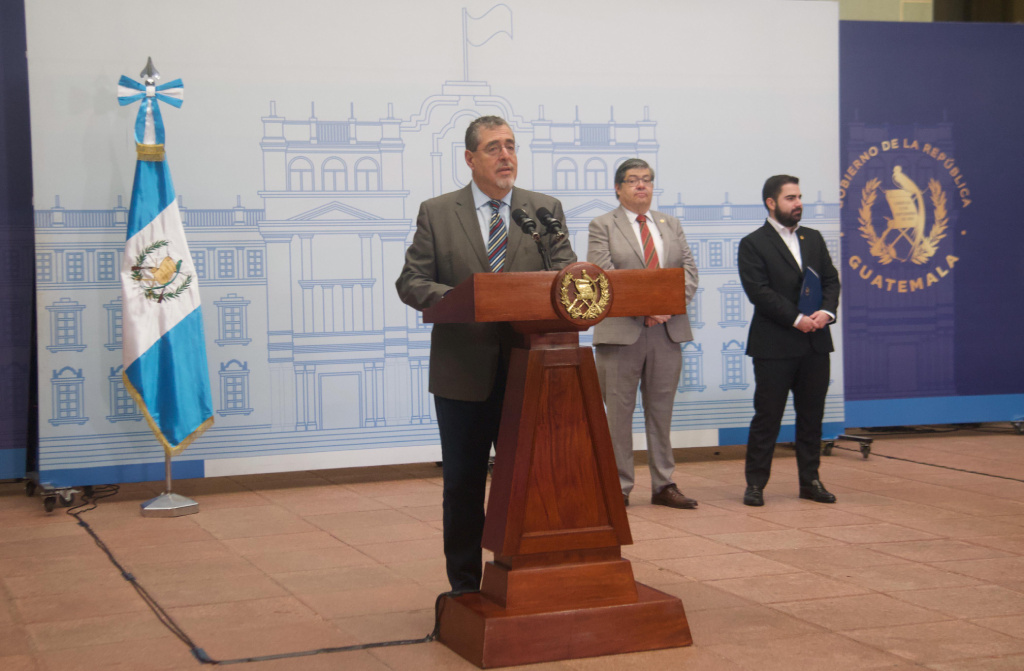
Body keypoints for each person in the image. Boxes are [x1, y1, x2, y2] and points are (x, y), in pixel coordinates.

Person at [395, 115, 576, 592]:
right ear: (470, 158)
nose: (506, 156)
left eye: (511, 146)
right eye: (493, 147)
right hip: (463, 375)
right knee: (464, 486)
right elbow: (411, 282)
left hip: (531, 369)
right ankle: (464, 588)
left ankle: (528, 578)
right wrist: (465, 299)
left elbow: (565, 278)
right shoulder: (437, 212)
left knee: (532, 483)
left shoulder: (543, 209)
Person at [587, 158, 699, 509]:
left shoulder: (670, 225)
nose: (641, 186)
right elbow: (601, 276)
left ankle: (664, 484)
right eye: (633, 180)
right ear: (618, 188)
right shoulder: (602, 225)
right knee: (618, 415)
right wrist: (644, 308)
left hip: (667, 331)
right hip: (621, 332)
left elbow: (689, 274)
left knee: (660, 412)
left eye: (647, 180)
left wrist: (663, 309)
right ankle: (618, 487)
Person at [737, 174, 840, 507]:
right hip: (775, 345)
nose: (798, 204)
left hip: (815, 343)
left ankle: (810, 481)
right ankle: (755, 484)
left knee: (812, 416)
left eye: (799, 197)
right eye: (790, 198)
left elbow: (830, 280)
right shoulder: (753, 243)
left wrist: (826, 312)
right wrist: (797, 319)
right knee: (768, 417)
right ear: (771, 202)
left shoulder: (813, 238)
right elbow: (760, 293)